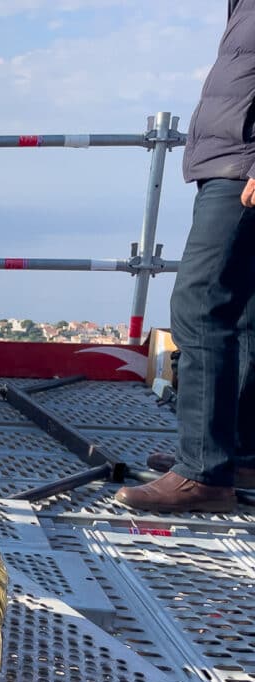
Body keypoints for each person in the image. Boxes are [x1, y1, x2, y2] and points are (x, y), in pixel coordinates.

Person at [115, 0, 255, 514]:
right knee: (242, 313)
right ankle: (233, 452)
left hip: (243, 166)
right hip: (233, 161)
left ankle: (203, 473)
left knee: (200, 306)